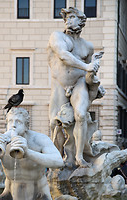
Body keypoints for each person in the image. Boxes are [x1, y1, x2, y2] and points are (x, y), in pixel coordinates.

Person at [47, 7, 101, 168]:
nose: (68, 21)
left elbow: (90, 72)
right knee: (54, 123)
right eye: (66, 18)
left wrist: (96, 82)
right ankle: (57, 158)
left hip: (79, 83)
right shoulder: (57, 37)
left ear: (81, 21)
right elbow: (64, 56)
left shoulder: (87, 46)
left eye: (72, 17)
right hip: (59, 83)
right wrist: (88, 67)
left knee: (81, 115)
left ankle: (79, 157)